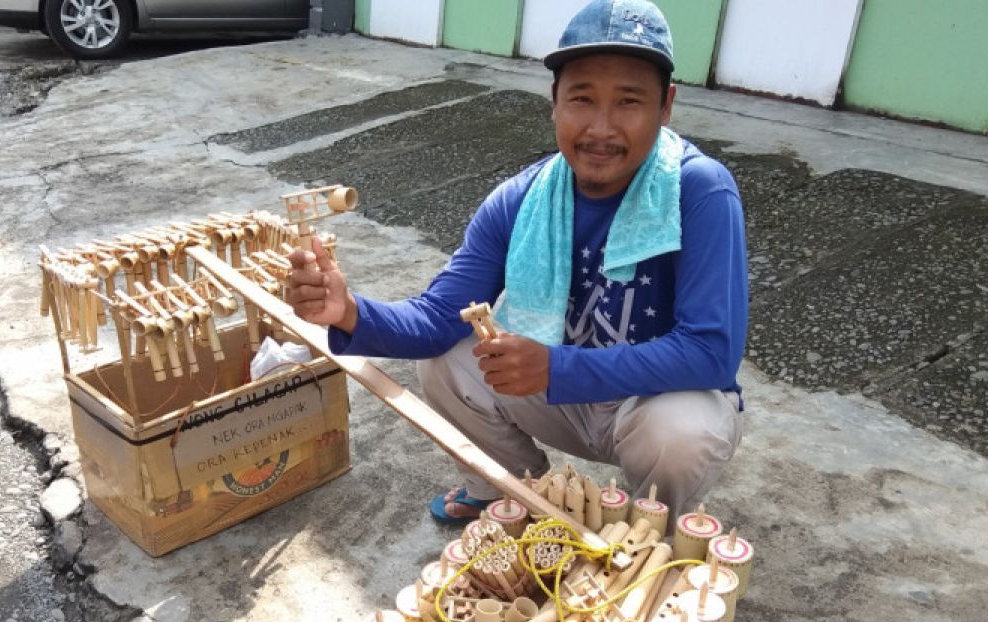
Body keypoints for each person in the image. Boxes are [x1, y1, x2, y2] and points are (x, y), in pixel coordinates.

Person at [286, 0, 747, 526]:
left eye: (628, 101)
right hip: (563, 398)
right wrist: (348, 312)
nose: (600, 127)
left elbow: (711, 352)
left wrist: (555, 366)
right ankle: (512, 492)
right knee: (447, 359)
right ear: (554, 101)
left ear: (665, 106)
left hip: (646, 405)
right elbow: (438, 319)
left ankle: (649, 531)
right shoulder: (521, 199)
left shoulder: (699, 190)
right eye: (581, 98)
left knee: (684, 430)